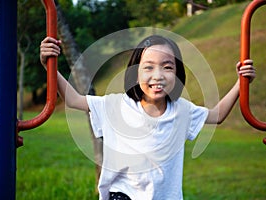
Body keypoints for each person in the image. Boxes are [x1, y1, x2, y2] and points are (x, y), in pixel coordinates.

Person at [40, 35, 255, 200]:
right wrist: (50, 65)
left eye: (167, 67)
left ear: (177, 74)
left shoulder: (182, 111)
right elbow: (73, 99)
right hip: (122, 195)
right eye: (148, 67)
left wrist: (240, 82)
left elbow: (217, 115)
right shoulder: (116, 105)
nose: (158, 75)